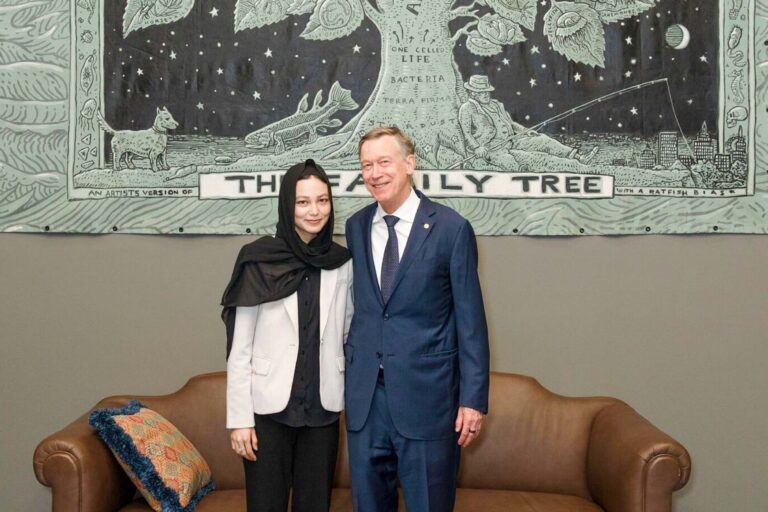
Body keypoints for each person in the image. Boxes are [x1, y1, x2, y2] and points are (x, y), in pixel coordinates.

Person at [344, 126, 490, 511]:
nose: (374, 173)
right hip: (365, 402)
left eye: (384, 162)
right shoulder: (356, 227)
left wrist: (473, 400)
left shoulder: (451, 229)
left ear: (409, 164)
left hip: (429, 401)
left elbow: (470, 322)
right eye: (366, 165)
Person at [221, 159, 353, 512]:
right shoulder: (259, 259)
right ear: (286, 205)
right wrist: (239, 420)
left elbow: (348, 331)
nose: (315, 210)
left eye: (322, 200)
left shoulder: (342, 261)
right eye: (303, 202)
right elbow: (240, 348)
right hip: (267, 410)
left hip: (323, 408)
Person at [458, 74, 597, 170]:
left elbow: (510, 124)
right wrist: (477, 148)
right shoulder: (467, 108)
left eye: (486, 92)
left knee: (544, 140)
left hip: (511, 140)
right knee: (510, 164)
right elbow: (466, 133)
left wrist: (525, 131)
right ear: (472, 93)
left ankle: (579, 157)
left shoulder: (496, 104)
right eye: (482, 92)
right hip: (491, 148)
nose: (486, 95)